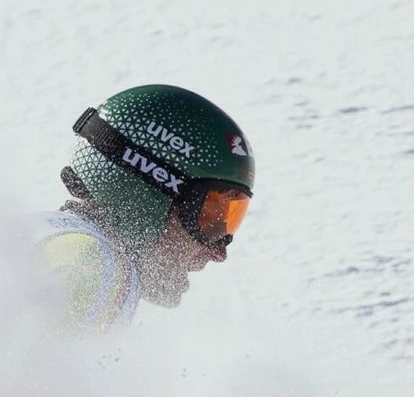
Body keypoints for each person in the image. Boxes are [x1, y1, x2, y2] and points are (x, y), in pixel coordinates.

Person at [41, 85, 254, 331]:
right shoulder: (93, 264)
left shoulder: (59, 242)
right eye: (211, 220)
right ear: (146, 196)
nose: (219, 253)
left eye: (230, 218)